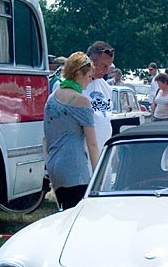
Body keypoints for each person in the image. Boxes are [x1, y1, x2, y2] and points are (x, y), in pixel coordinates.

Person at [43, 52, 100, 210]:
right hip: (74, 168)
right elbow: (93, 144)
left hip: (54, 166)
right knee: (79, 215)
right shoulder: (81, 101)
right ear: (79, 74)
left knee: (65, 214)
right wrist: (98, 175)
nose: (90, 81)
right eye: (89, 76)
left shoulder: (52, 97)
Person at [83, 41, 115, 155]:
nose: (107, 70)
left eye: (109, 66)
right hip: (83, 155)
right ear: (91, 61)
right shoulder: (74, 87)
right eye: (104, 65)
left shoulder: (105, 87)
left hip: (102, 153)